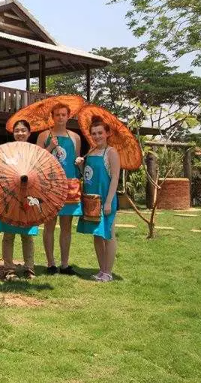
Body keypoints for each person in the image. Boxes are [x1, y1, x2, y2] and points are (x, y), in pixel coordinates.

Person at [36, 103, 82, 275]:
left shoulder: (75, 137)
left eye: (63, 114)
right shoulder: (43, 135)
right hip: (49, 184)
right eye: (57, 114)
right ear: (52, 116)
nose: (60, 117)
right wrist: (50, 147)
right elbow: (37, 160)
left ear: (68, 116)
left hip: (69, 183)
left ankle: (64, 264)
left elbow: (76, 160)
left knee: (66, 226)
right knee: (49, 224)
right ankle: (50, 263)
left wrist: (80, 162)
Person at [75, 117, 120, 282]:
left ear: (107, 133)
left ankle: (108, 272)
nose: (97, 136)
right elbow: (87, 175)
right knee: (97, 235)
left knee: (108, 235)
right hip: (91, 200)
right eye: (94, 133)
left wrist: (108, 202)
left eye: (100, 133)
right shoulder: (91, 151)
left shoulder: (111, 152)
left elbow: (115, 178)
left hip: (106, 199)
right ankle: (101, 270)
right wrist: (80, 164)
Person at [0, 119, 38, 280]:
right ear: (13, 133)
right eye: (17, 130)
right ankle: (9, 269)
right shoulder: (7, 151)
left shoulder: (34, 152)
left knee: (27, 235)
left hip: (28, 194)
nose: (20, 133)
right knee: (8, 234)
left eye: (23, 130)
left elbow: (39, 171)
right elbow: (0, 170)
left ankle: (29, 268)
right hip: (9, 195)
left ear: (29, 133)